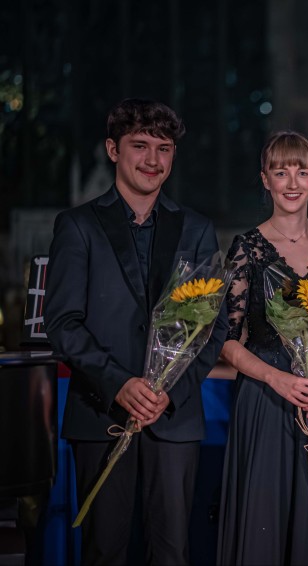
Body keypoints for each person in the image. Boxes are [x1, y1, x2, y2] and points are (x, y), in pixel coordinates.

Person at [45, 98, 227, 564]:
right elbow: (62, 324)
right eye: (140, 146)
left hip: (174, 418)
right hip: (101, 414)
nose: (152, 159)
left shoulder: (196, 229)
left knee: (171, 552)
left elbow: (214, 326)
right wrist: (119, 384)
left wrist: (170, 392)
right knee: (104, 551)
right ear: (113, 150)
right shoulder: (77, 226)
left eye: (163, 149)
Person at [216, 131, 308, 565]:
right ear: (265, 180)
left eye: (302, 172)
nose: (292, 182)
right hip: (266, 403)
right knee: (267, 523)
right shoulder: (247, 248)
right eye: (281, 172)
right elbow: (226, 340)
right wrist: (276, 378)